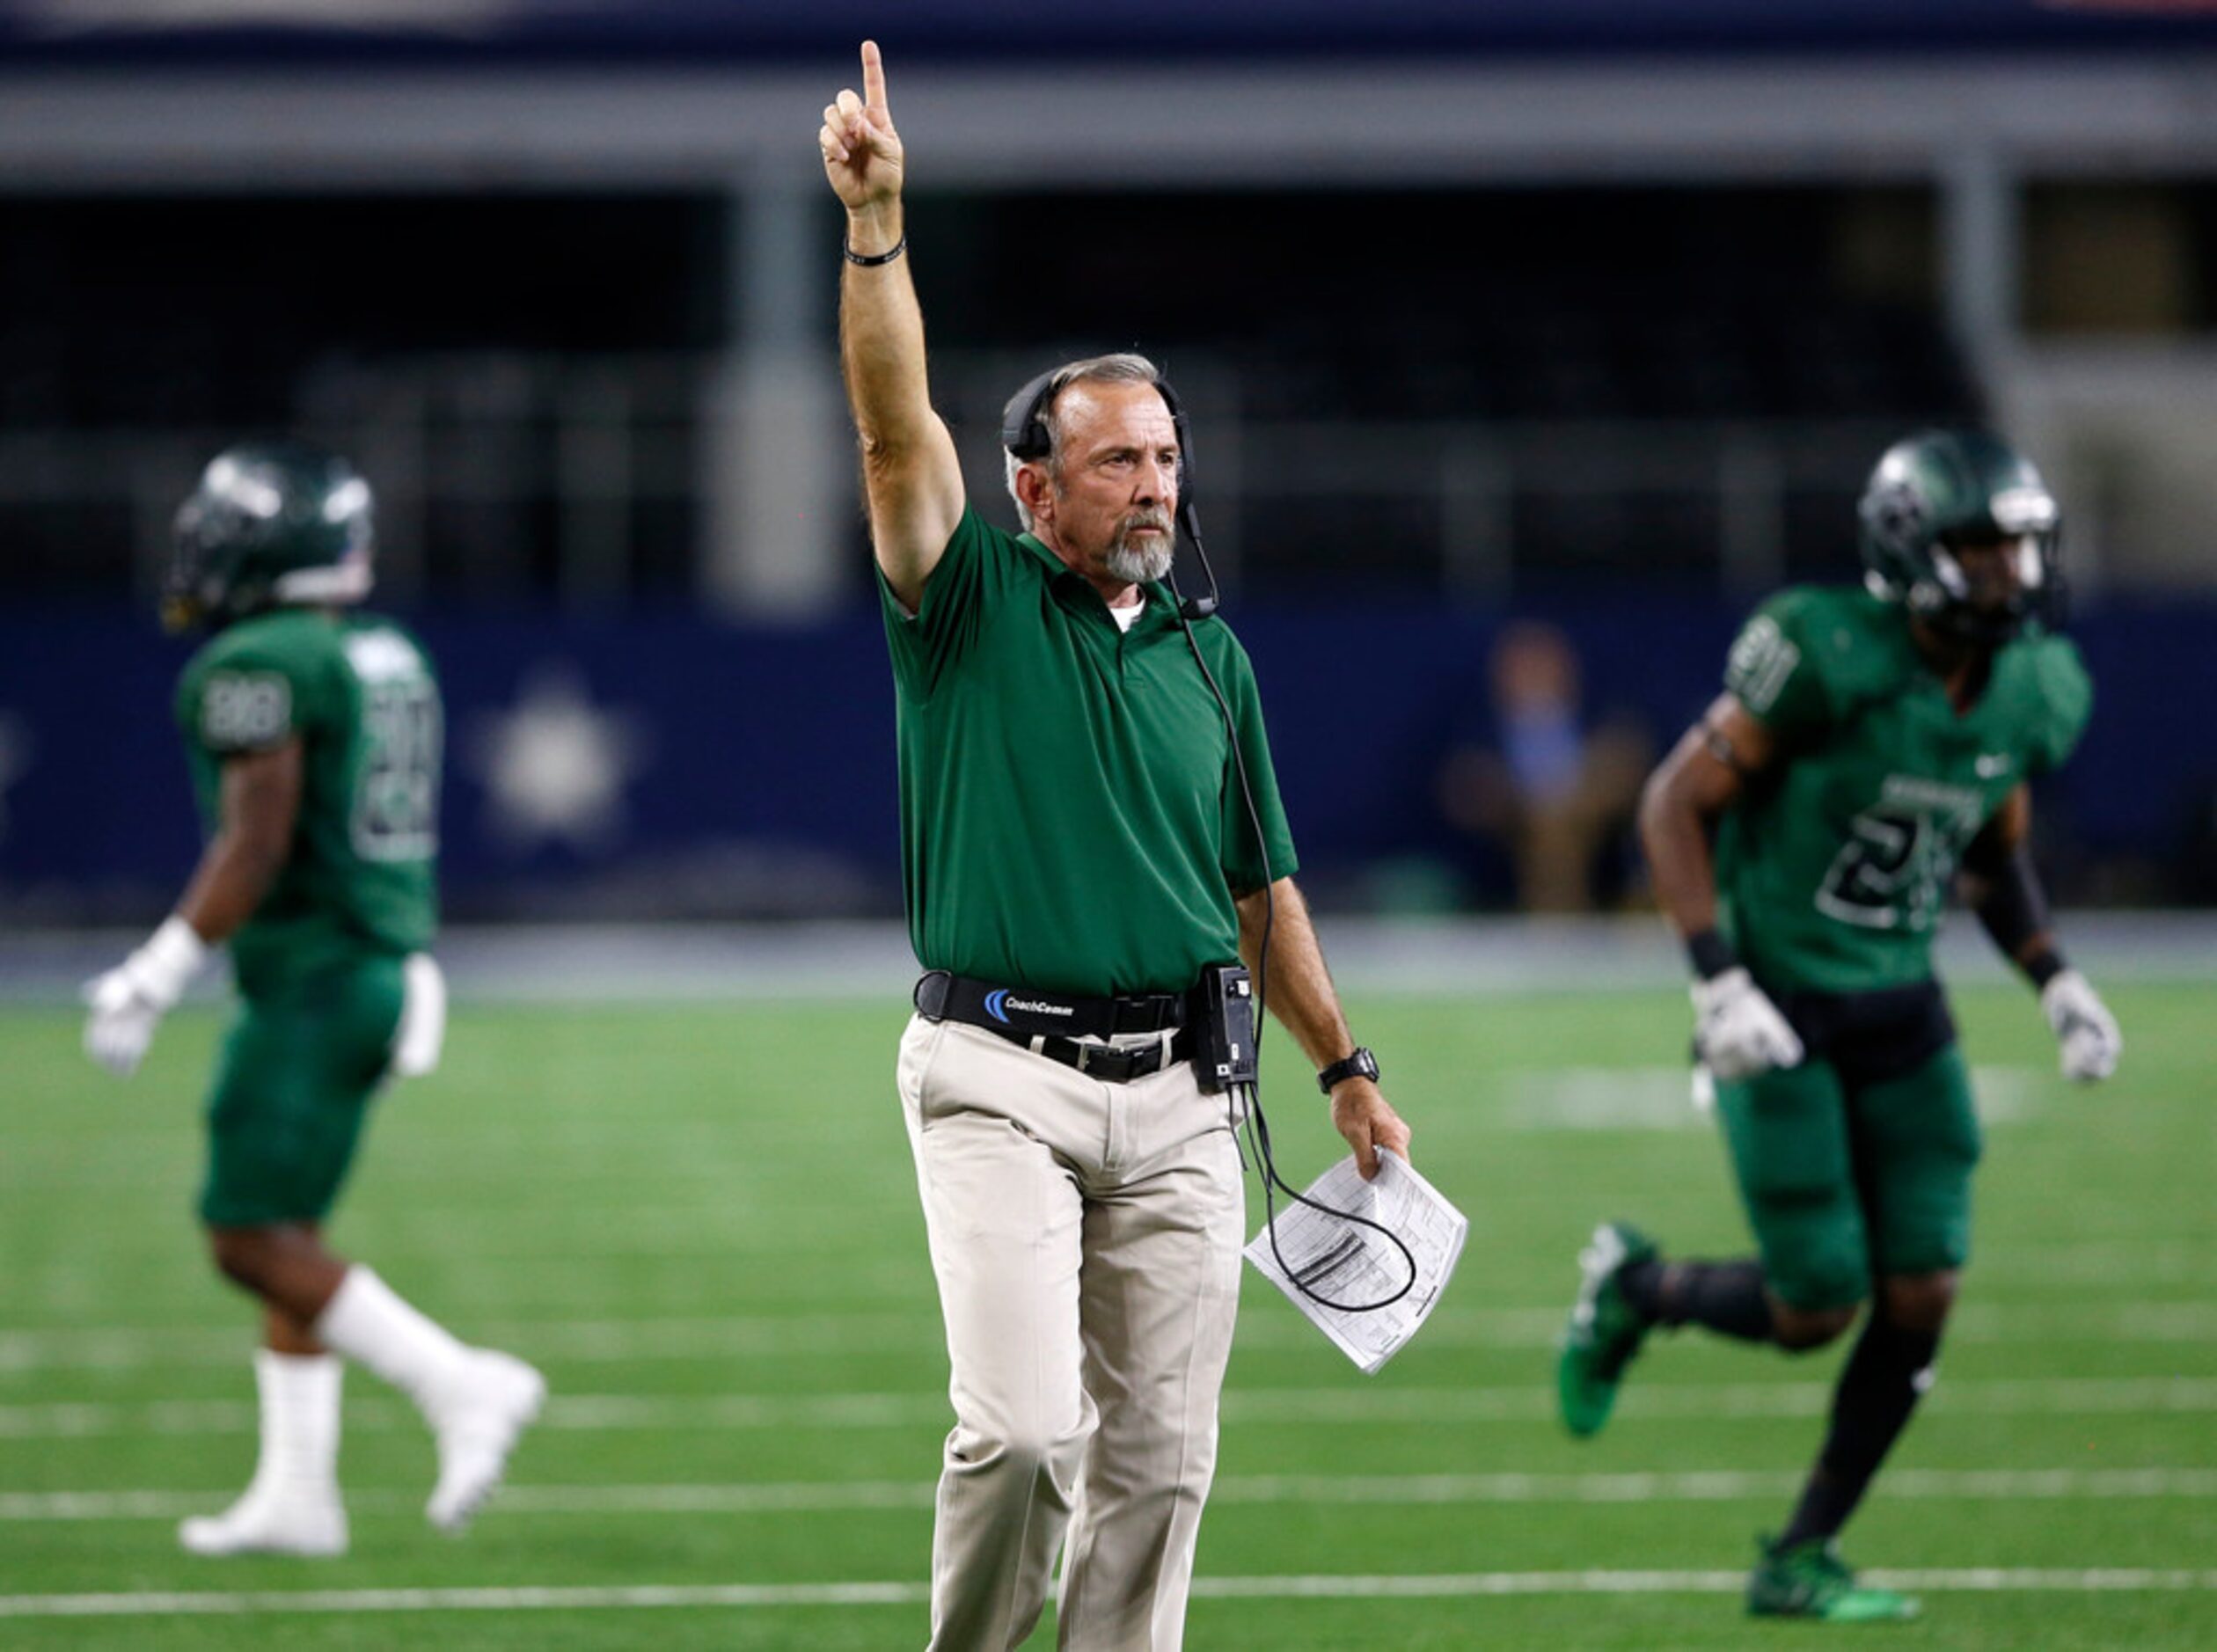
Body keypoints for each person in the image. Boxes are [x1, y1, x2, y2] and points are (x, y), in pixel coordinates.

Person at [820, 41, 1412, 1651]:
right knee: (1021, 1434)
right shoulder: (970, 605)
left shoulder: (1214, 659)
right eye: (1116, 460)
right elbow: (891, 432)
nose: (1154, 482)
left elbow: (1260, 885)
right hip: (998, 1070)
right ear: (1036, 487)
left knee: (1160, 1469)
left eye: (1165, 455)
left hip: (1184, 1092)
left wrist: (1343, 1059)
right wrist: (878, 230)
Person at [1555, 428, 2123, 1622]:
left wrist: (2056, 978)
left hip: (1902, 1002)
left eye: (2020, 545)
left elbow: (1995, 848)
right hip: (1778, 999)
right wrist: (1717, 984)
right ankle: (1636, 1286)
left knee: (1923, 1289)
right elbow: (1671, 803)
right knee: (1818, 1303)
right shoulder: (1825, 651)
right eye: (1983, 546)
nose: (2012, 572)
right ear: (1914, 549)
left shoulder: (2028, 686)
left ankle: (1800, 1552)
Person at [83, 442, 545, 1557]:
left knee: (243, 1236)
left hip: (316, 980)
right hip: (371, 963)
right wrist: (410, 954)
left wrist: (152, 972)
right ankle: (299, 1493)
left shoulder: (266, 659)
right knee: (291, 1228)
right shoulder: (381, 647)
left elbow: (256, 844)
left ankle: (458, 1384)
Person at [1434, 619, 1650, 912]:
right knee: (1548, 825)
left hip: (1588, 823)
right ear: (1501, 676)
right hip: (1516, 829)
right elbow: (1464, 789)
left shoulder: (1603, 721)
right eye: (1524, 666)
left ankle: (1565, 912)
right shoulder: (1475, 737)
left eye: (1544, 663)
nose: (1535, 675)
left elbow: (1627, 763)